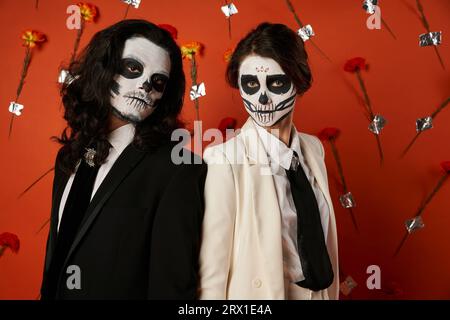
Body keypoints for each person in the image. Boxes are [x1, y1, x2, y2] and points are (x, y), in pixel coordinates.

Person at [40, 19, 206, 299]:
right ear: (102, 68)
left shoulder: (178, 169)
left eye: (158, 81)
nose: (145, 85)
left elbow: (172, 290)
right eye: (133, 68)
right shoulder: (68, 157)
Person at [199, 22, 339, 300]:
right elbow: (213, 271)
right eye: (250, 84)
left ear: (299, 82)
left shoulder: (314, 149)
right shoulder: (223, 160)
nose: (262, 98)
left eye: (276, 83)